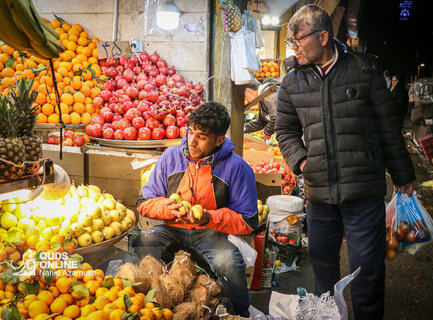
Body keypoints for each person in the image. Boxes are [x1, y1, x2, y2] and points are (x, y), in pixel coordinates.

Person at [275, 4, 415, 320]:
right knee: (322, 269)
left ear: (323, 36)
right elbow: (285, 129)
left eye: (298, 40)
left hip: (363, 192)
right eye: (291, 42)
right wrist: (300, 162)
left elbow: (387, 127)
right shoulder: (292, 82)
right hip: (319, 194)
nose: (294, 47)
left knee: (367, 270)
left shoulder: (364, 72)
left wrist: (403, 174)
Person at [133, 102, 258, 317]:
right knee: (145, 239)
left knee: (228, 262)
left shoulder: (237, 167)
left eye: (201, 136)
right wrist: (169, 208)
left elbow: (248, 221)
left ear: (219, 140)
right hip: (173, 227)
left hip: (213, 233)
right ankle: (153, 304)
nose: (192, 141)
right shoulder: (171, 157)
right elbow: (144, 202)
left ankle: (241, 312)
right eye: (190, 132)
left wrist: (209, 217)